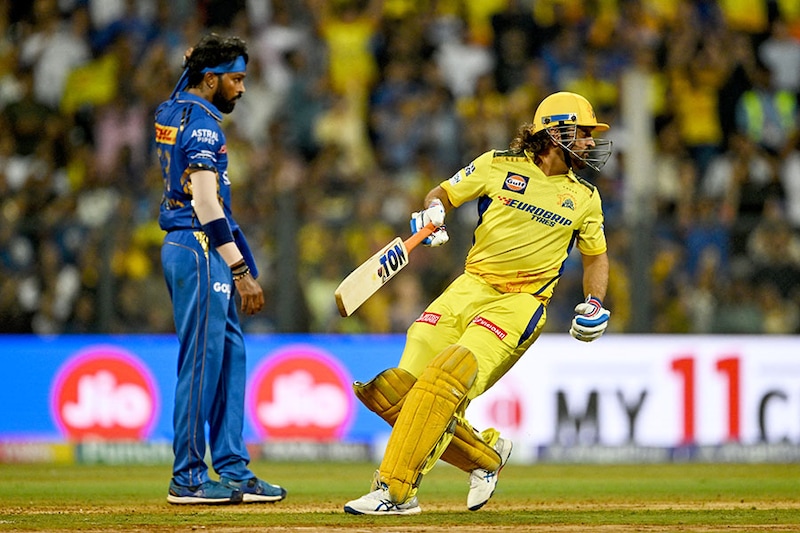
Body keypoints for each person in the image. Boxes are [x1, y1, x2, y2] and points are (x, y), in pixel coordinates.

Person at [344, 91, 612, 515]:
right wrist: (432, 212)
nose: (590, 143)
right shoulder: (496, 165)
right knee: (400, 391)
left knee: (448, 375)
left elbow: (596, 257)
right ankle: (485, 456)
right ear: (555, 132)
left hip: (520, 302)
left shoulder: (585, 197)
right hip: (469, 286)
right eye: (582, 133)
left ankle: (395, 491)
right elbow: (442, 193)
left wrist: (595, 301)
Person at [154, 33, 287, 505]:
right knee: (202, 362)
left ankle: (231, 468)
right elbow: (206, 202)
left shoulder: (172, 109)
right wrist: (240, 269)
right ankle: (188, 477)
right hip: (198, 245)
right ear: (210, 80)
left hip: (192, 246)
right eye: (236, 79)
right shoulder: (206, 128)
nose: (242, 89)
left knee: (229, 356)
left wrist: (192, 62)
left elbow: (183, 87)